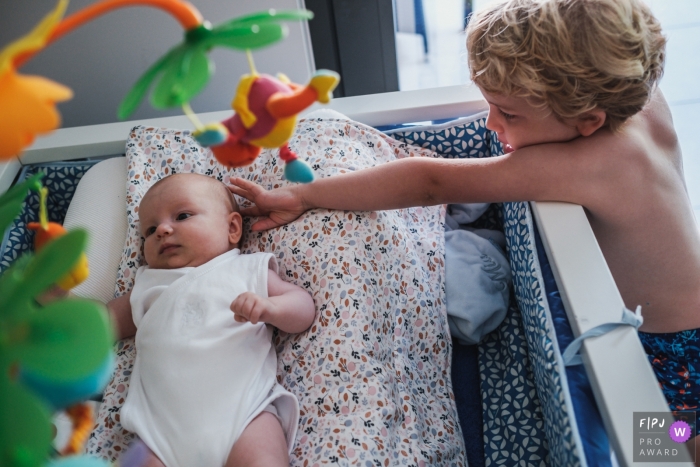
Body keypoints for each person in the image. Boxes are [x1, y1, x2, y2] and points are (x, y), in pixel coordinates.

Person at [229, 0, 700, 431]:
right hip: (684, 313)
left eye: (509, 115)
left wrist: (306, 195)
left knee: (661, 446)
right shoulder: (640, 95)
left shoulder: (590, 165)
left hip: (667, 349)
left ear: (588, 121)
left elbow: (429, 181)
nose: (491, 125)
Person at [107, 173, 316, 467]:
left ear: (232, 228)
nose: (163, 230)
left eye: (182, 216)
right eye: (150, 230)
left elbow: (304, 308)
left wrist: (270, 308)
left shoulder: (245, 269)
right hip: (160, 433)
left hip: (243, 414)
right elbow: (100, 324)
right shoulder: (147, 285)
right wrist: (57, 304)